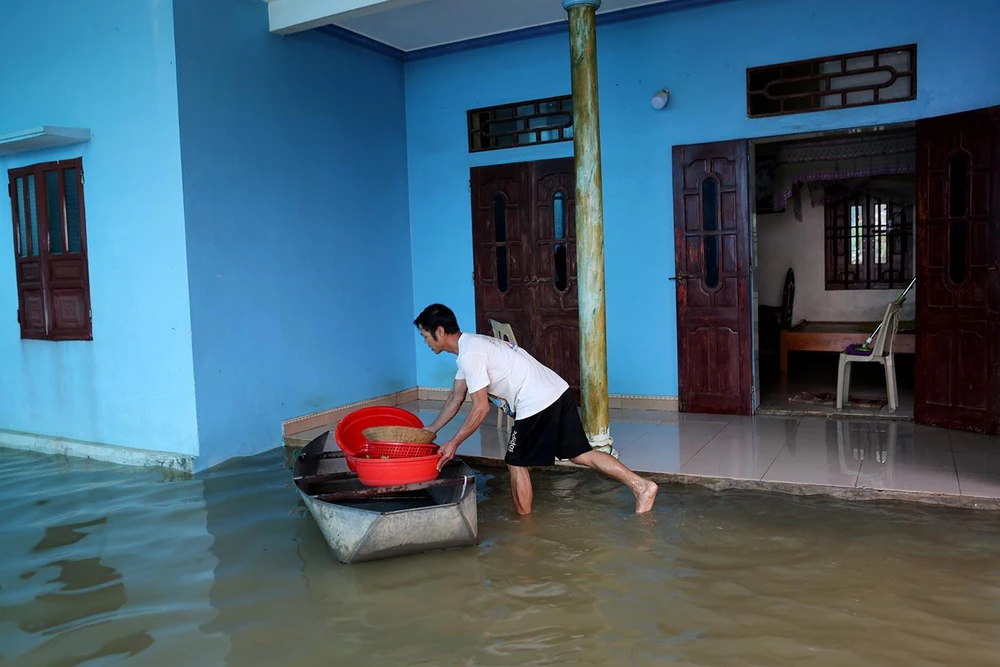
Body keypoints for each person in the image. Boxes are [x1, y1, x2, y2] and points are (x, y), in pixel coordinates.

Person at [414, 304, 658, 515]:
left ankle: (525, 532)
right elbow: (456, 397)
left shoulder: (471, 354)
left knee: (515, 461)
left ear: (440, 331)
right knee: (581, 454)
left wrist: (455, 442)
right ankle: (642, 486)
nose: (426, 342)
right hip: (556, 390)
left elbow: (480, 408)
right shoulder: (470, 347)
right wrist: (431, 430)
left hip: (536, 401)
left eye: (425, 336)